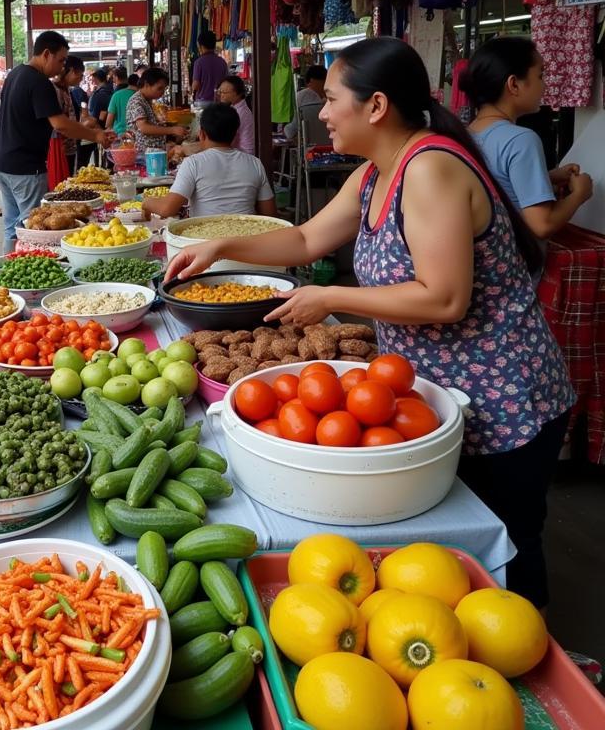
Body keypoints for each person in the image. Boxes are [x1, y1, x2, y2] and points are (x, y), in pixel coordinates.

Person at [168, 37, 572, 610]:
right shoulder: (376, 173)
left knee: (506, 541)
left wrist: (327, 293)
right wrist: (218, 246)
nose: (322, 112)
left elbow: (445, 298)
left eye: (332, 99)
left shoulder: (430, 169)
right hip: (436, 390)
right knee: (451, 562)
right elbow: (306, 237)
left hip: (505, 393)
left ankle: (542, 660)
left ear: (376, 106)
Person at [0, 31, 112, 252]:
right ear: (46, 54)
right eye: (61, 60)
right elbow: (60, 124)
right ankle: (28, 280)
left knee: (13, 227)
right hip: (25, 167)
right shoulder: (39, 82)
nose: (62, 67)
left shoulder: (15, 73)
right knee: (35, 230)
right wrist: (96, 135)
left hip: (2, 163)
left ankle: (7, 274)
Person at [464, 36, 593, 240]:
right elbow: (542, 224)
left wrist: (547, 177)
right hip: (519, 266)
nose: (544, 86)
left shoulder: (470, 133)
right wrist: (579, 194)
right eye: (540, 76)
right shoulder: (521, 140)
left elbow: (498, 187)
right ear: (514, 84)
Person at [142, 103, 276, 220]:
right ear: (235, 135)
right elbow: (269, 216)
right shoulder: (255, 163)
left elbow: (167, 209)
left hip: (205, 244)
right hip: (245, 242)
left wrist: (146, 202)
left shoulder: (193, 163)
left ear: (202, 134)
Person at [126, 66, 187, 154]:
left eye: (164, 89)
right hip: (144, 155)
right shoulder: (136, 101)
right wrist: (172, 130)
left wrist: (167, 126)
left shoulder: (147, 100)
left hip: (153, 153)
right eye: (159, 88)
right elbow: (144, 128)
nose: (162, 92)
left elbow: (150, 124)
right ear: (147, 85)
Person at [52, 55, 86, 175]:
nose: (81, 79)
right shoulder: (55, 91)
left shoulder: (67, 90)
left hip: (69, 148)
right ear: (72, 71)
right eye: (80, 75)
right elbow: (58, 124)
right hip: (59, 151)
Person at [283, 64, 328, 143]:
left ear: (310, 81)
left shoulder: (300, 98)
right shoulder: (330, 99)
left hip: (308, 148)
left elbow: (290, 131)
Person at [217, 75, 254, 153]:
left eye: (225, 92)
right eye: (220, 92)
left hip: (243, 154)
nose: (221, 95)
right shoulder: (235, 107)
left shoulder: (240, 113)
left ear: (238, 94)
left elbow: (225, 141)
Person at [190, 30, 228, 104]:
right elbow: (226, 82)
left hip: (203, 103)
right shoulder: (222, 62)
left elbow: (196, 85)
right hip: (219, 102)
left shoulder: (199, 62)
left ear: (201, 46)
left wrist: (192, 89)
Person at [105, 67, 135, 138]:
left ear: (116, 77)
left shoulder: (116, 95)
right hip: (136, 134)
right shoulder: (138, 94)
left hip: (120, 135)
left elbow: (108, 123)